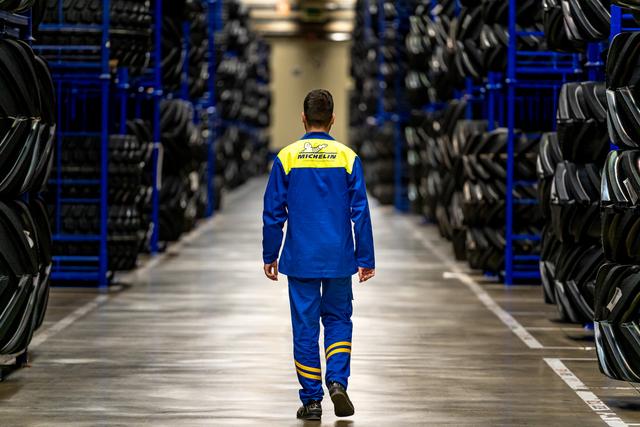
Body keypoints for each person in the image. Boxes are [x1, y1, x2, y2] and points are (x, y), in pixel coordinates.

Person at [262, 89, 375, 421]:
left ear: (303, 118)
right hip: (338, 257)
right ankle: (337, 381)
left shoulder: (287, 158)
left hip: (301, 258)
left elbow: (273, 212)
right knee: (338, 319)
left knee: (305, 327)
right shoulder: (347, 158)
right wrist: (365, 258)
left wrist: (270, 253)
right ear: (333, 119)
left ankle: (312, 401)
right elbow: (360, 212)